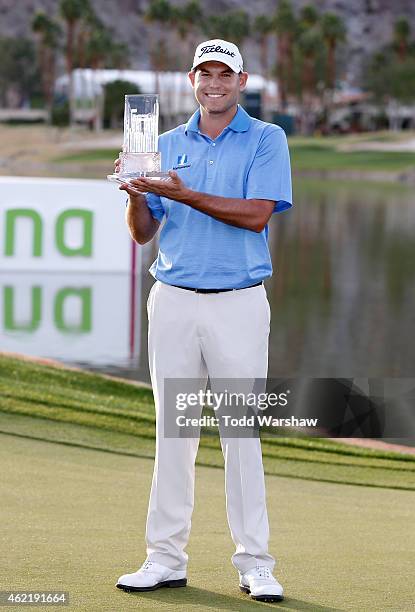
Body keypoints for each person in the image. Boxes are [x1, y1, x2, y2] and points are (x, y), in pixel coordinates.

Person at [115, 39, 293, 603]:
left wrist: (184, 194)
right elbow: (143, 233)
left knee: (240, 435)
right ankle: (164, 559)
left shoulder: (267, 139)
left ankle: (255, 564)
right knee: (174, 434)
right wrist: (137, 191)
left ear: (242, 82)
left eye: (225, 74)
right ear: (192, 80)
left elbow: (256, 214)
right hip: (172, 300)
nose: (214, 83)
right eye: (205, 74)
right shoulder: (163, 145)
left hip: (237, 302)